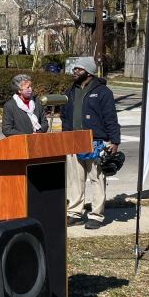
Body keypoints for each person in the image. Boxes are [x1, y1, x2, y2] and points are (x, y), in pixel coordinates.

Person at [60, 57, 121, 230]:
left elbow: (110, 117)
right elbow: (64, 114)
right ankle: (74, 213)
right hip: (73, 140)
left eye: (78, 70)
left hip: (95, 141)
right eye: (74, 69)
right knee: (75, 179)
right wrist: (66, 133)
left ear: (88, 72)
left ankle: (96, 215)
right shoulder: (70, 91)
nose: (74, 72)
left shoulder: (103, 92)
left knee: (96, 178)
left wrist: (114, 140)